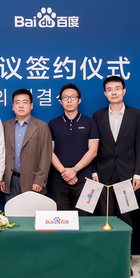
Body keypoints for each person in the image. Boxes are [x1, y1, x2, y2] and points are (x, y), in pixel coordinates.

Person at [92, 76, 140, 223]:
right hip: (103, 174)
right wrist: (94, 171)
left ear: (124, 91)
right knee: (105, 217)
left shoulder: (136, 114)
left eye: (117, 89)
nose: (113, 93)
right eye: (109, 90)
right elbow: (94, 146)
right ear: (105, 93)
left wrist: (138, 174)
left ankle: (127, 241)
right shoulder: (97, 115)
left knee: (127, 218)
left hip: (127, 174)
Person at [48, 83, 99, 212]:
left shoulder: (90, 122)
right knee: (62, 220)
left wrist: (74, 170)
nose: (69, 100)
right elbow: (49, 152)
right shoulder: (53, 123)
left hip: (85, 180)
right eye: (65, 97)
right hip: (59, 180)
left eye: (73, 97)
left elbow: (93, 151)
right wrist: (64, 173)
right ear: (61, 101)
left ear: (79, 100)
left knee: (85, 220)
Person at [1, 89, 52, 200]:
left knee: (32, 210)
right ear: (13, 106)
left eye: (25, 102)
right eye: (17, 102)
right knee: (12, 210)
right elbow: (1, 154)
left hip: (33, 181)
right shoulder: (5, 126)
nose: (21, 106)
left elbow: (46, 156)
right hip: (11, 180)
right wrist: (3, 178)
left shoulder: (42, 126)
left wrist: (40, 180)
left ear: (31, 105)